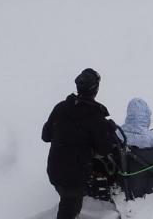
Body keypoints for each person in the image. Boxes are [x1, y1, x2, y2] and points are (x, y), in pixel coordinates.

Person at [41, 68, 118, 219]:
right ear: (96, 89)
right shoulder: (96, 116)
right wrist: (108, 129)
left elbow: (46, 136)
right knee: (69, 209)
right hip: (75, 179)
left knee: (67, 202)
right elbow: (104, 149)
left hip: (54, 171)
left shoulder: (60, 107)